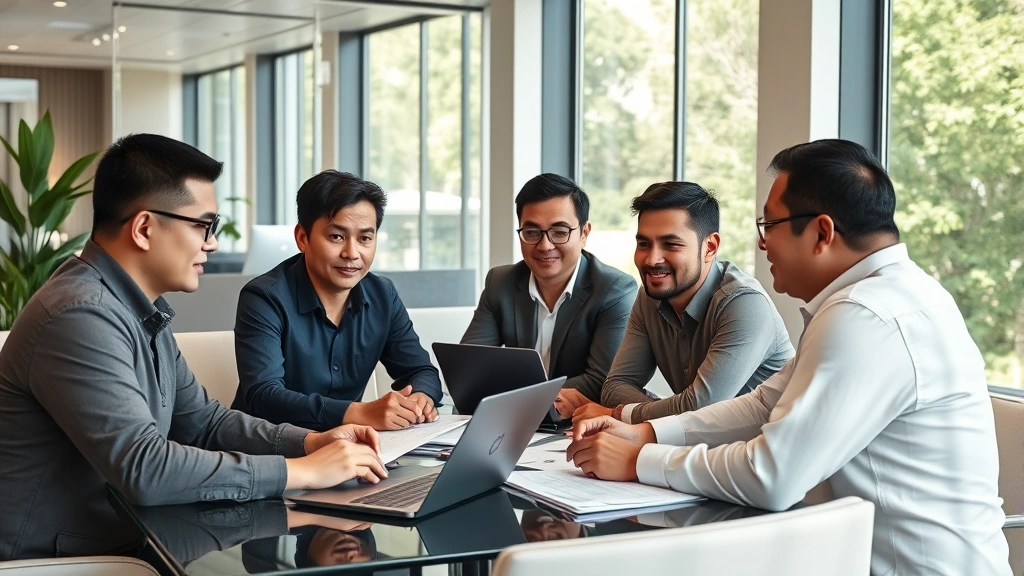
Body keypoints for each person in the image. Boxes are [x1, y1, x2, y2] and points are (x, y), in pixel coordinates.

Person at [567, 139, 1011, 576]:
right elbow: (763, 403)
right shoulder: (892, 295)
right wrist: (646, 431)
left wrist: (639, 460)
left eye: (769, 226)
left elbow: (772, 477)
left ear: (822, 232)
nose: (762, 244)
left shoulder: (865, 316)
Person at [0, 134, 387, 561]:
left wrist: (310, 442)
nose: (212, 242)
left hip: (121, 542)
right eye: (203, 225)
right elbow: (144, 468)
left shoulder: (139, 307)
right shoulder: (79, 315)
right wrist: (301, 472)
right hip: (56, 562)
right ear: (145, 228)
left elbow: (201, 423)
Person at [233, 170, 442, 431]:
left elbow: (421, 371)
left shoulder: (382, 294)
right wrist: (359, 412)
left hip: (350, 448)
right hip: (272, 452)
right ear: (302, 238)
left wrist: (421, 398)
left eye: (365, 238)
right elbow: (263, 397)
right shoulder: (264, 297)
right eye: (336, 237)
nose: (352, 253)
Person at [565, 182, 792, 423]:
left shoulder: (745, 304)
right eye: (644, 244)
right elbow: (615, 387)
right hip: (704, 450)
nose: (652, 259)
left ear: (710, 247)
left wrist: (617, 414)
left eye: (671, 245)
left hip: (770, 453)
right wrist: (666, 411)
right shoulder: (649, 297)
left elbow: (701, 410)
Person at [461, 174, 636, 405]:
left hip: (578, 424)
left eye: (560, 232)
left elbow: (600, 381)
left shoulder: (614, 290)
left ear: (584, 233)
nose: (545, 245)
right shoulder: (500, 282)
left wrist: (512, 396)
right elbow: (469, 367)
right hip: (510, 421)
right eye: (532, 232)